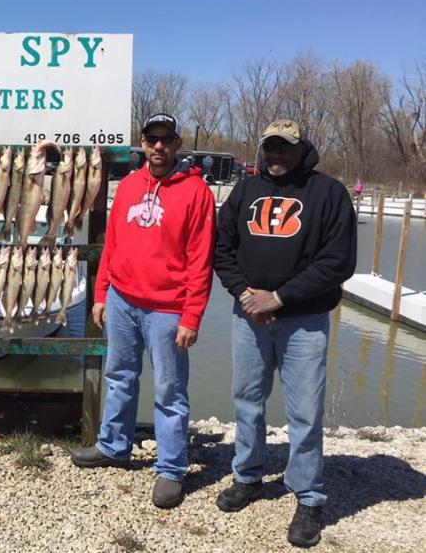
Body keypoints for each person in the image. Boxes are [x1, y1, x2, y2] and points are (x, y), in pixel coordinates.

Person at [214, 119, 356, 548]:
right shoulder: (245, 190)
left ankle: (309, 496)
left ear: (301, 149)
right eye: (270, 148)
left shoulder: (329, 193)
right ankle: (248, 475)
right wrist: (245, 294)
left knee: (306, 413)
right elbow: (222, 248)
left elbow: (338, 261)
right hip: (249, 318)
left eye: (285, 148)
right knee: (247, 402)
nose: (276, 156)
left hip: (304, 321)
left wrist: (278, 298)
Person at [70, 113, 216, 509]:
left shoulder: (197, 192)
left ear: (177, 143)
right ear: (143, 143)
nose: (158, 146)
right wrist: (102, 293)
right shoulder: (130, 185)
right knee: (119, 376)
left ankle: (171, 468)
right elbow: (113, 244)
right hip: (122, 300)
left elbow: (201, 261)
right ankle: (113, 445)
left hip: (168, 310)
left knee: (170, 390)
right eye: (152, 139)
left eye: (166, 139)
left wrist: (192, 316)